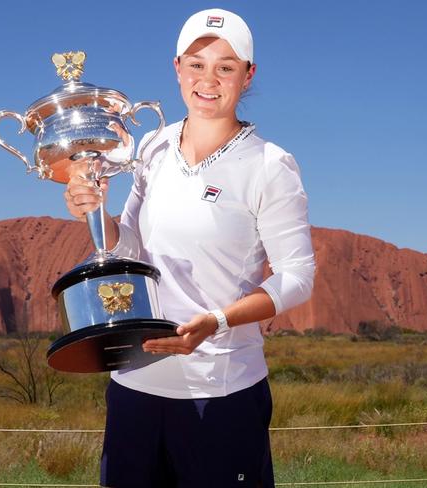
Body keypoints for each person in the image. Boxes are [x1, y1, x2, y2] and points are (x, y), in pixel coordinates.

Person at [64, 8, 315, 488]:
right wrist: (96, 212)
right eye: (197, 64)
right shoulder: (152, 147)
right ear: (177, 68)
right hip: (134, 383)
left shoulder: (269, 165)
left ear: (248, 75)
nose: (209, 79)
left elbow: (297, 277)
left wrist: (216, 322)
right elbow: (131, 246)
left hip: (221, 391)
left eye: (226, 66)